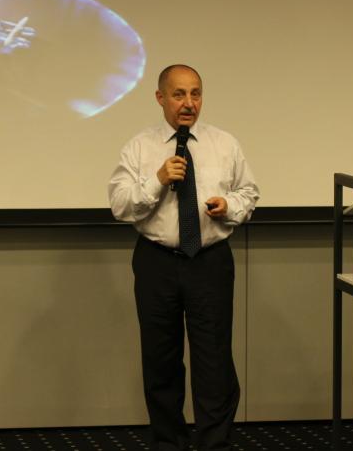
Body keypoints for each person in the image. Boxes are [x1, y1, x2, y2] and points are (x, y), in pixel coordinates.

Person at [108, 64, 259, 451]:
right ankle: (168, 443)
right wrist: (156, 180)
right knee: (161, 360)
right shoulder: (139, 147)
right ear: (160, 98)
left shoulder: (224, 143)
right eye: (179, 94)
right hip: (157, 261)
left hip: (209, 260)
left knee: (214, 360)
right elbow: (120, 205)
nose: (189, 103)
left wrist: (229, 205)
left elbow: (249, 193)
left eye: (195, 94)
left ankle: (215, 443)